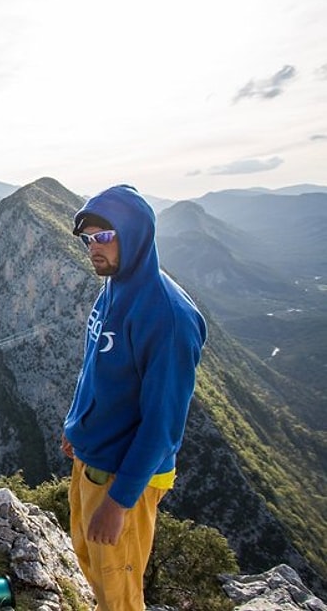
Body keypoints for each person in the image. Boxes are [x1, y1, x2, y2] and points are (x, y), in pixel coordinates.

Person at [60, 184, 207, 610]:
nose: (93, 249)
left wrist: (119, 501)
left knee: (118, 590)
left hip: (124, 476)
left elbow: (163, 427)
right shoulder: (114, 285)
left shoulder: (168, 317)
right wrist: (76, 427)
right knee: (89, 561)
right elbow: (95, 369)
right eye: (88, 239)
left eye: (103, 236)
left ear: (135, 233)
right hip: (92, 458)